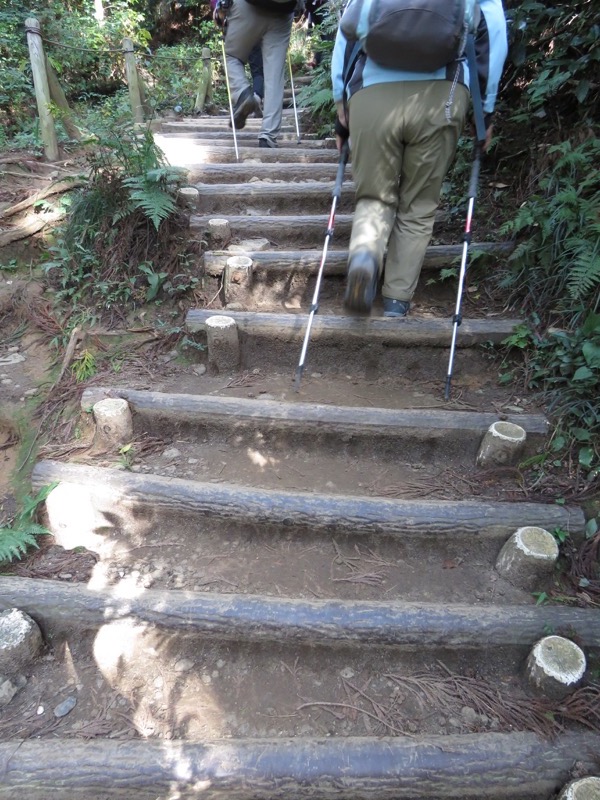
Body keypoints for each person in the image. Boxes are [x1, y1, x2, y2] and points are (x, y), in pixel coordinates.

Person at [331, 0, 508, 317]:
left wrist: (340, 105)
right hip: (442, 93)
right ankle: (396, 300)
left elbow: (347, 31)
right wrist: (485, 111)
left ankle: (365, 259)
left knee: (374, 196)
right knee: (418, 204)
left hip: (370, 92)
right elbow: (493, 30)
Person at [214, 0, 298, 148]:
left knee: (232, 57)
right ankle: (268, 136)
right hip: (283, 12)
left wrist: (219, 6)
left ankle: (242, 94)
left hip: (247, 7)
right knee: (274, 75)